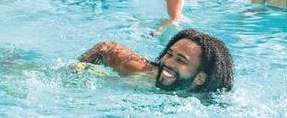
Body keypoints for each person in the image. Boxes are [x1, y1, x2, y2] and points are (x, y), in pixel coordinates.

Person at [78, 29, 234, 94]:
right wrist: (77, 68)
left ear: (200, 78)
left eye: (181, 60)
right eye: (169, 53)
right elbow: (106, 48)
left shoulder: (209, 103)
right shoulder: (146, 73)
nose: (168, 62)